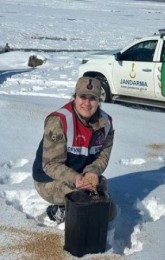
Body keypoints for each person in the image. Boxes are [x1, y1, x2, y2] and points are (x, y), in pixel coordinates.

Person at [32, 76, 116, 224]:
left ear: (99, 100)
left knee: (106, 205)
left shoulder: (106, 123)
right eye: (82, 96)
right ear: (75, 97)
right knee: (93, 205)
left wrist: (92, 172)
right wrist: (76, 179)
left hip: (80, 175)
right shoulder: (59, 121)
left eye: (93, 98)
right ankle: (60, 210)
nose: (87, 103)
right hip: (49, 180)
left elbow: (103, 155)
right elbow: (50, 165)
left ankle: (76, 207)